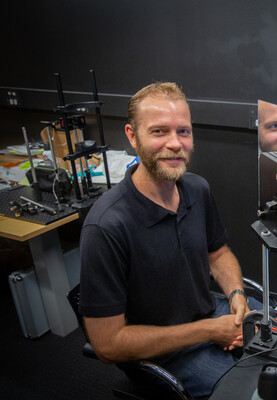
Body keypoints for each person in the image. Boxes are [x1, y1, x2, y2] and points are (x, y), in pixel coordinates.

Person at [78, 82, 260, 398]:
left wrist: (236, 296)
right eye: (159, 132)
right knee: (250, 392)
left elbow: (218, 254)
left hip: (211, 315)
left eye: (184, 132)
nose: (175, 144)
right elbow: (107, 346)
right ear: (132, 136)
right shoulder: (106, 226)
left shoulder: (197, 189)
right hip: (166, 353)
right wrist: (209, 331)